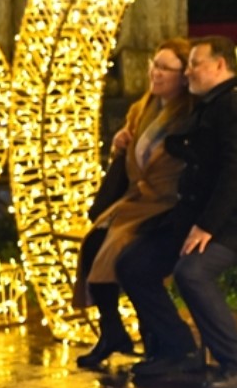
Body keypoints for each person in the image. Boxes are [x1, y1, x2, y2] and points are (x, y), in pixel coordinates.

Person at [116, 36, 237, 388]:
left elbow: (235, 173)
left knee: (192, 272)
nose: (188, 72)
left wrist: (207, 226)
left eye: (195, 64)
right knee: (133, 263)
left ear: (220, 65)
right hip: (198, 219)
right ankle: (178, 348)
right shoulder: (210, 104)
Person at [72, 40, 197, 370]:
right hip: (134, 200)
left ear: (183, 76)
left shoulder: (188, 115)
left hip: (162, 205)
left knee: (121, 259)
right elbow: (132, 158)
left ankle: (154, 340)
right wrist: (119, 146)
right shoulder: (142, 109)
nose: (155, 73)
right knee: (94, 245)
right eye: (153, 65)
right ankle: (112, 330)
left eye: (164, 68)